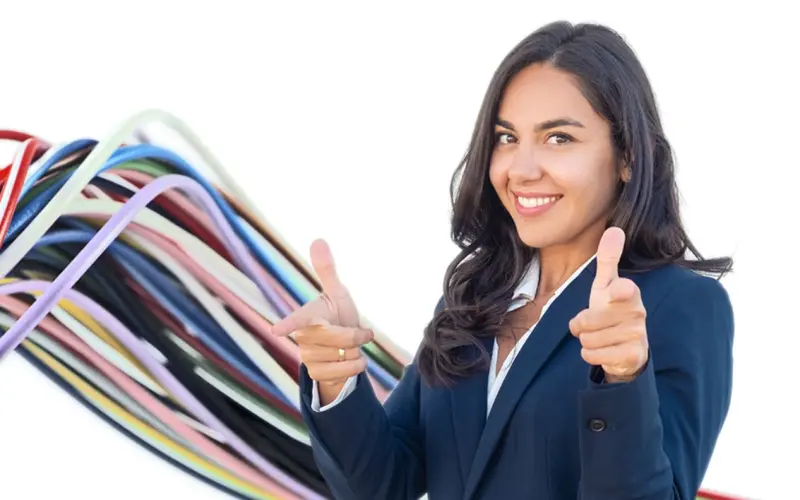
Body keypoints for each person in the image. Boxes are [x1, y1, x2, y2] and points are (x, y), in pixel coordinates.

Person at [272, 20, 734, 500]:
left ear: (628, 158)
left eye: (559, 139)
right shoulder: (472, 297)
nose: (522, 169)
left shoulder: (682, 306)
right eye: (507, 138)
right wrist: (337, 378)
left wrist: (622, 382)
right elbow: (385, 484)